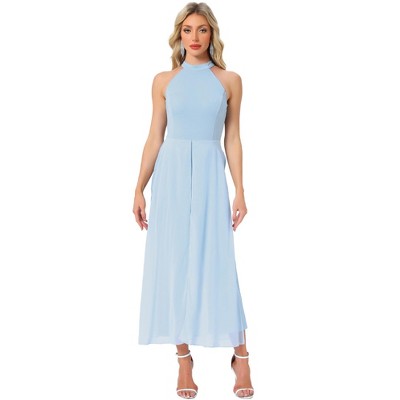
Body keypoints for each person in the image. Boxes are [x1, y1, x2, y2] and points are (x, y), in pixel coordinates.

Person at [132, 2, 254, 398]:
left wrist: (240, 189)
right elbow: (155, 136)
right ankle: (183, 361)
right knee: (174, 264)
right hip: (170, 177)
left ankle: (241, 357)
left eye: (202, 29)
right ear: (179, 35)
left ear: (212, 34)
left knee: (218, 262)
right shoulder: (163, 81)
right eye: (187, 30)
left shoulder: (229, 80)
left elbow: (232, 137)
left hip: (209, 176)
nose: (195, 37)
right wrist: (139, 188)